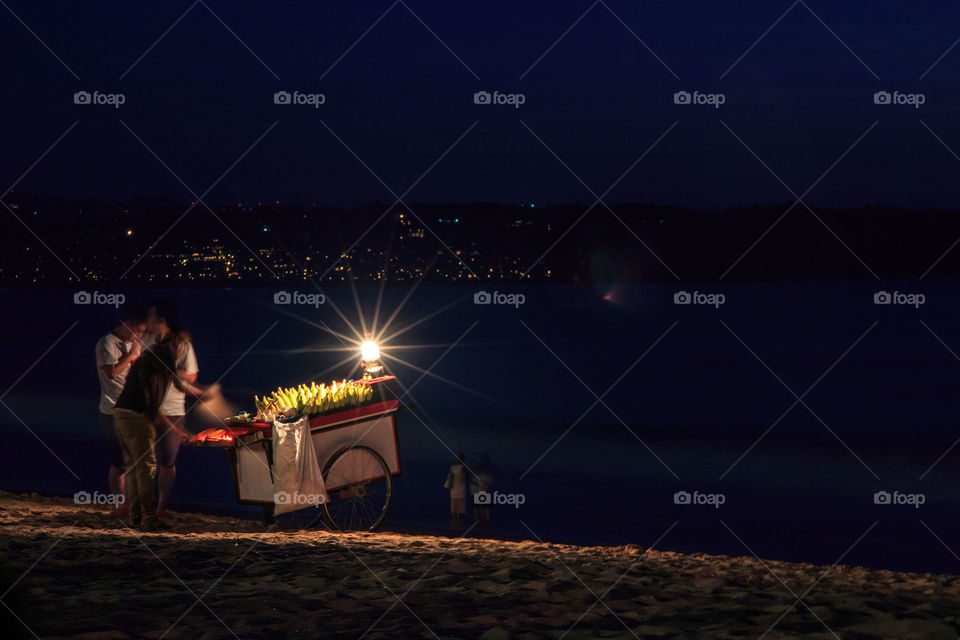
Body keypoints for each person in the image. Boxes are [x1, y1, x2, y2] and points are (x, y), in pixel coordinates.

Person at [112, 342, 183, 530]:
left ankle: (135, 517)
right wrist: (177, 431)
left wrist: (176, 431)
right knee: (146, 469)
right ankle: (148, 518)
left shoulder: (142, 365)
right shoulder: (156, 372)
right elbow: (153, 410)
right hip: (136, 418)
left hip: (120, 415)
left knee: (135, 468)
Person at [145, 299, 199, 519]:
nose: (147, 321)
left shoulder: (182, 344)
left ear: (161, 321)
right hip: (147, 407)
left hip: (173, 408)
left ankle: (162, 506)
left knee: (167, 460)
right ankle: (142, 505)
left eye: (151, 317)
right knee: (144, 459)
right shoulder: (145, 341)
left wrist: (173, 370)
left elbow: (191, 375)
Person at [95, 303, 149, 517]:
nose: (139, 335)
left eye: (142, 332)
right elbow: (111, 374)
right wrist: (131, 354)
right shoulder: (107, 343)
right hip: (112, 410)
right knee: (119, 461)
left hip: (133, 408)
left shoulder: (132, 343)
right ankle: (120, 505)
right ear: (126, 325)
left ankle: (132, 504)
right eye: (137, 331)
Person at [471, 453, 497, 524]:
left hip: (480, 489)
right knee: (485, 506)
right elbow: (492, 479)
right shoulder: (490, 468)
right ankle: (485, 520)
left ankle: (479, 519)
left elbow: (475, 479)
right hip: (485, 489)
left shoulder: (480, 469)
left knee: (481, 506)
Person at [444, 453, 468, 521]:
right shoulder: (463, 468)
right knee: (460, 504)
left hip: (453, 486)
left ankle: (454, 517)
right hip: (461, 486)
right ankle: (458, 518)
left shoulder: (453, 467)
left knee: (453, 503)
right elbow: (465, 478)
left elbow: (450, 476)